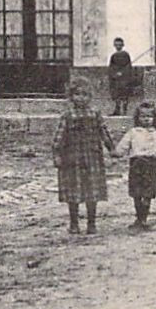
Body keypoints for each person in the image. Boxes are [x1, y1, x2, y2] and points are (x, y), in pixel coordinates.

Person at [53, 77, 115, 235]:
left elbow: (104, 132)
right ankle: (74, 223)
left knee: (92, 191)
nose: (81, 98)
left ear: (90, 97)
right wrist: (57, 154)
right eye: (77, 94)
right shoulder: (67, 116)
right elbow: (59, 137)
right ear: (71, 96)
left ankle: (91, 223)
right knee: (73, 191)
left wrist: (111, 148)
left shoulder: (95, 114)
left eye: (85, 95)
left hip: (92, 157)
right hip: (72, 159)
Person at [113, 101, 156, 229]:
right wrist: (116, 152)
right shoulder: (133, 133)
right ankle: (139, 218)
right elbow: (123, 146)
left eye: (149, 116)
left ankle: (143, 218)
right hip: (137, 165)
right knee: (136, 193)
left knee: (148, 193)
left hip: (152, 165)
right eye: (143, 116)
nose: (146, 119)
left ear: (154, 118)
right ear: (137, 118)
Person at [108, 37, 134, 117]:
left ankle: (125, 110)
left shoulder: (125, 55)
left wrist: (122, 73)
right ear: (114, 45)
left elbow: (128, 66)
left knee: (125, 95)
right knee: (116, 95)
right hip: (116, 79)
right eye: (116, 45)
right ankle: (117, 110)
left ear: (122, 45)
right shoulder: (113, 56)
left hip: (124, 79)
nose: (118, 46)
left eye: (119, 45)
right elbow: (111, 66)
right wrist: (114, 74)